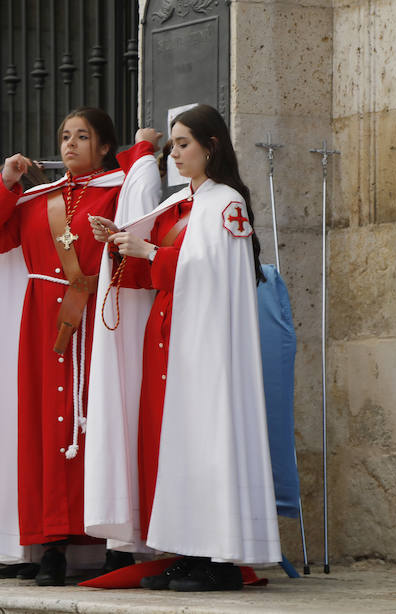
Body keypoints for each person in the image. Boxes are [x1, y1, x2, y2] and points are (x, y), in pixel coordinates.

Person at [0, 108, 161, 586]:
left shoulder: (119, 190)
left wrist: (142, 152)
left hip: (100, 326)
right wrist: (8, 182)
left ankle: (116, 541)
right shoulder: (39, 199)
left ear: (104, 146)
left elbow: (142, 211)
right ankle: (51, 545)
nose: (70, 144)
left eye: (83, 136)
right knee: (44, 431)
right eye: (64, 136)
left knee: (105, 425)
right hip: (43, 329)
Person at [94, 104, 280, 591]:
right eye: (172, 145)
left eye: (183, 145)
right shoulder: (185, 202)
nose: (174, 154)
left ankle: (219, 558)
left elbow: (217, 274)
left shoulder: (225, 202)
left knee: (208, 441)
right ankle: (191, 551)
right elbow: (162, 265)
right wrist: (119, 241)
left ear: (210, 146)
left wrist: (151, 252)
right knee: (179, 446)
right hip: (174, 337)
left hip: (207, 344)